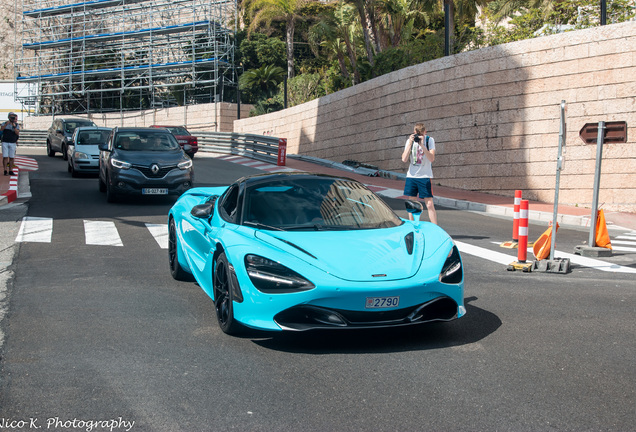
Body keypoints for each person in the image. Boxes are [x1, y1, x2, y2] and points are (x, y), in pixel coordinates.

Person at [401, 123, 437, 225]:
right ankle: (413, 225)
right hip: (411, 176)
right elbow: (404, 159)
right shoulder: (410, 141)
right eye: (417, 134)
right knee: (412, 204)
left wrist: (422, 145)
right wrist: (410, 143)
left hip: (425, 176)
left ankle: (435, 227)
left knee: (429, 204)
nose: (420, 136)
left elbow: (431, 158)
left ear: (425, 132)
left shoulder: (429, 140)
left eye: (422, 134)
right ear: (414, 133)